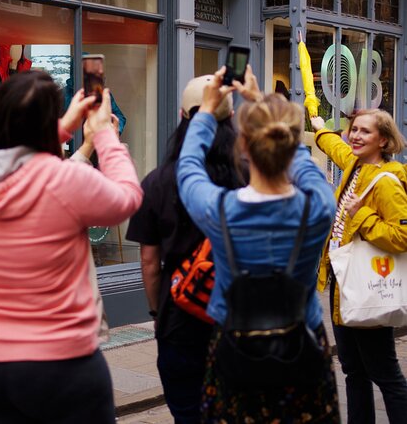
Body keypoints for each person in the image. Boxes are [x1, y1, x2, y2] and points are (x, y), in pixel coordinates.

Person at [0, 70, 143, 423]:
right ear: (47, 122)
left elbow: (10, 154)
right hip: (57, 362)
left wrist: (63, 126)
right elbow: (127, 198)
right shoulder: (66, 179)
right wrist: (105, 138)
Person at [176, 67, 340, 422]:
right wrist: (259, 100)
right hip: (303, 346)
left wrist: (204, 113)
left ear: (244, 146)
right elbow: (308, 169)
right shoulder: (318, 207)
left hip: (236, 349)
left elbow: (188, 168)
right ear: (290, 142)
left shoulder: (220, 210)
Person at [126, 74, 245, 423]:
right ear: (232, 116)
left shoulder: (159, 181)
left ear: (182, 115)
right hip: (237, 318)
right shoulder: (249, 175)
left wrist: (156, 311)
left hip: (179, 318)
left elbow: (149, 263)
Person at [311, 109, 407, 423]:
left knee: (386, 374)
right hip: (344, 281)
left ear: (383, 140)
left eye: (365, 132)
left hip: (369, 285)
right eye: (354, 129)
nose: (355, 136)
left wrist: (361, 215)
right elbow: (335, 146)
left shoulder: (387, 182)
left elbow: (402, 236)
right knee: (353, 371)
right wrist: (319, 128)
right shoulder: (355, 163)